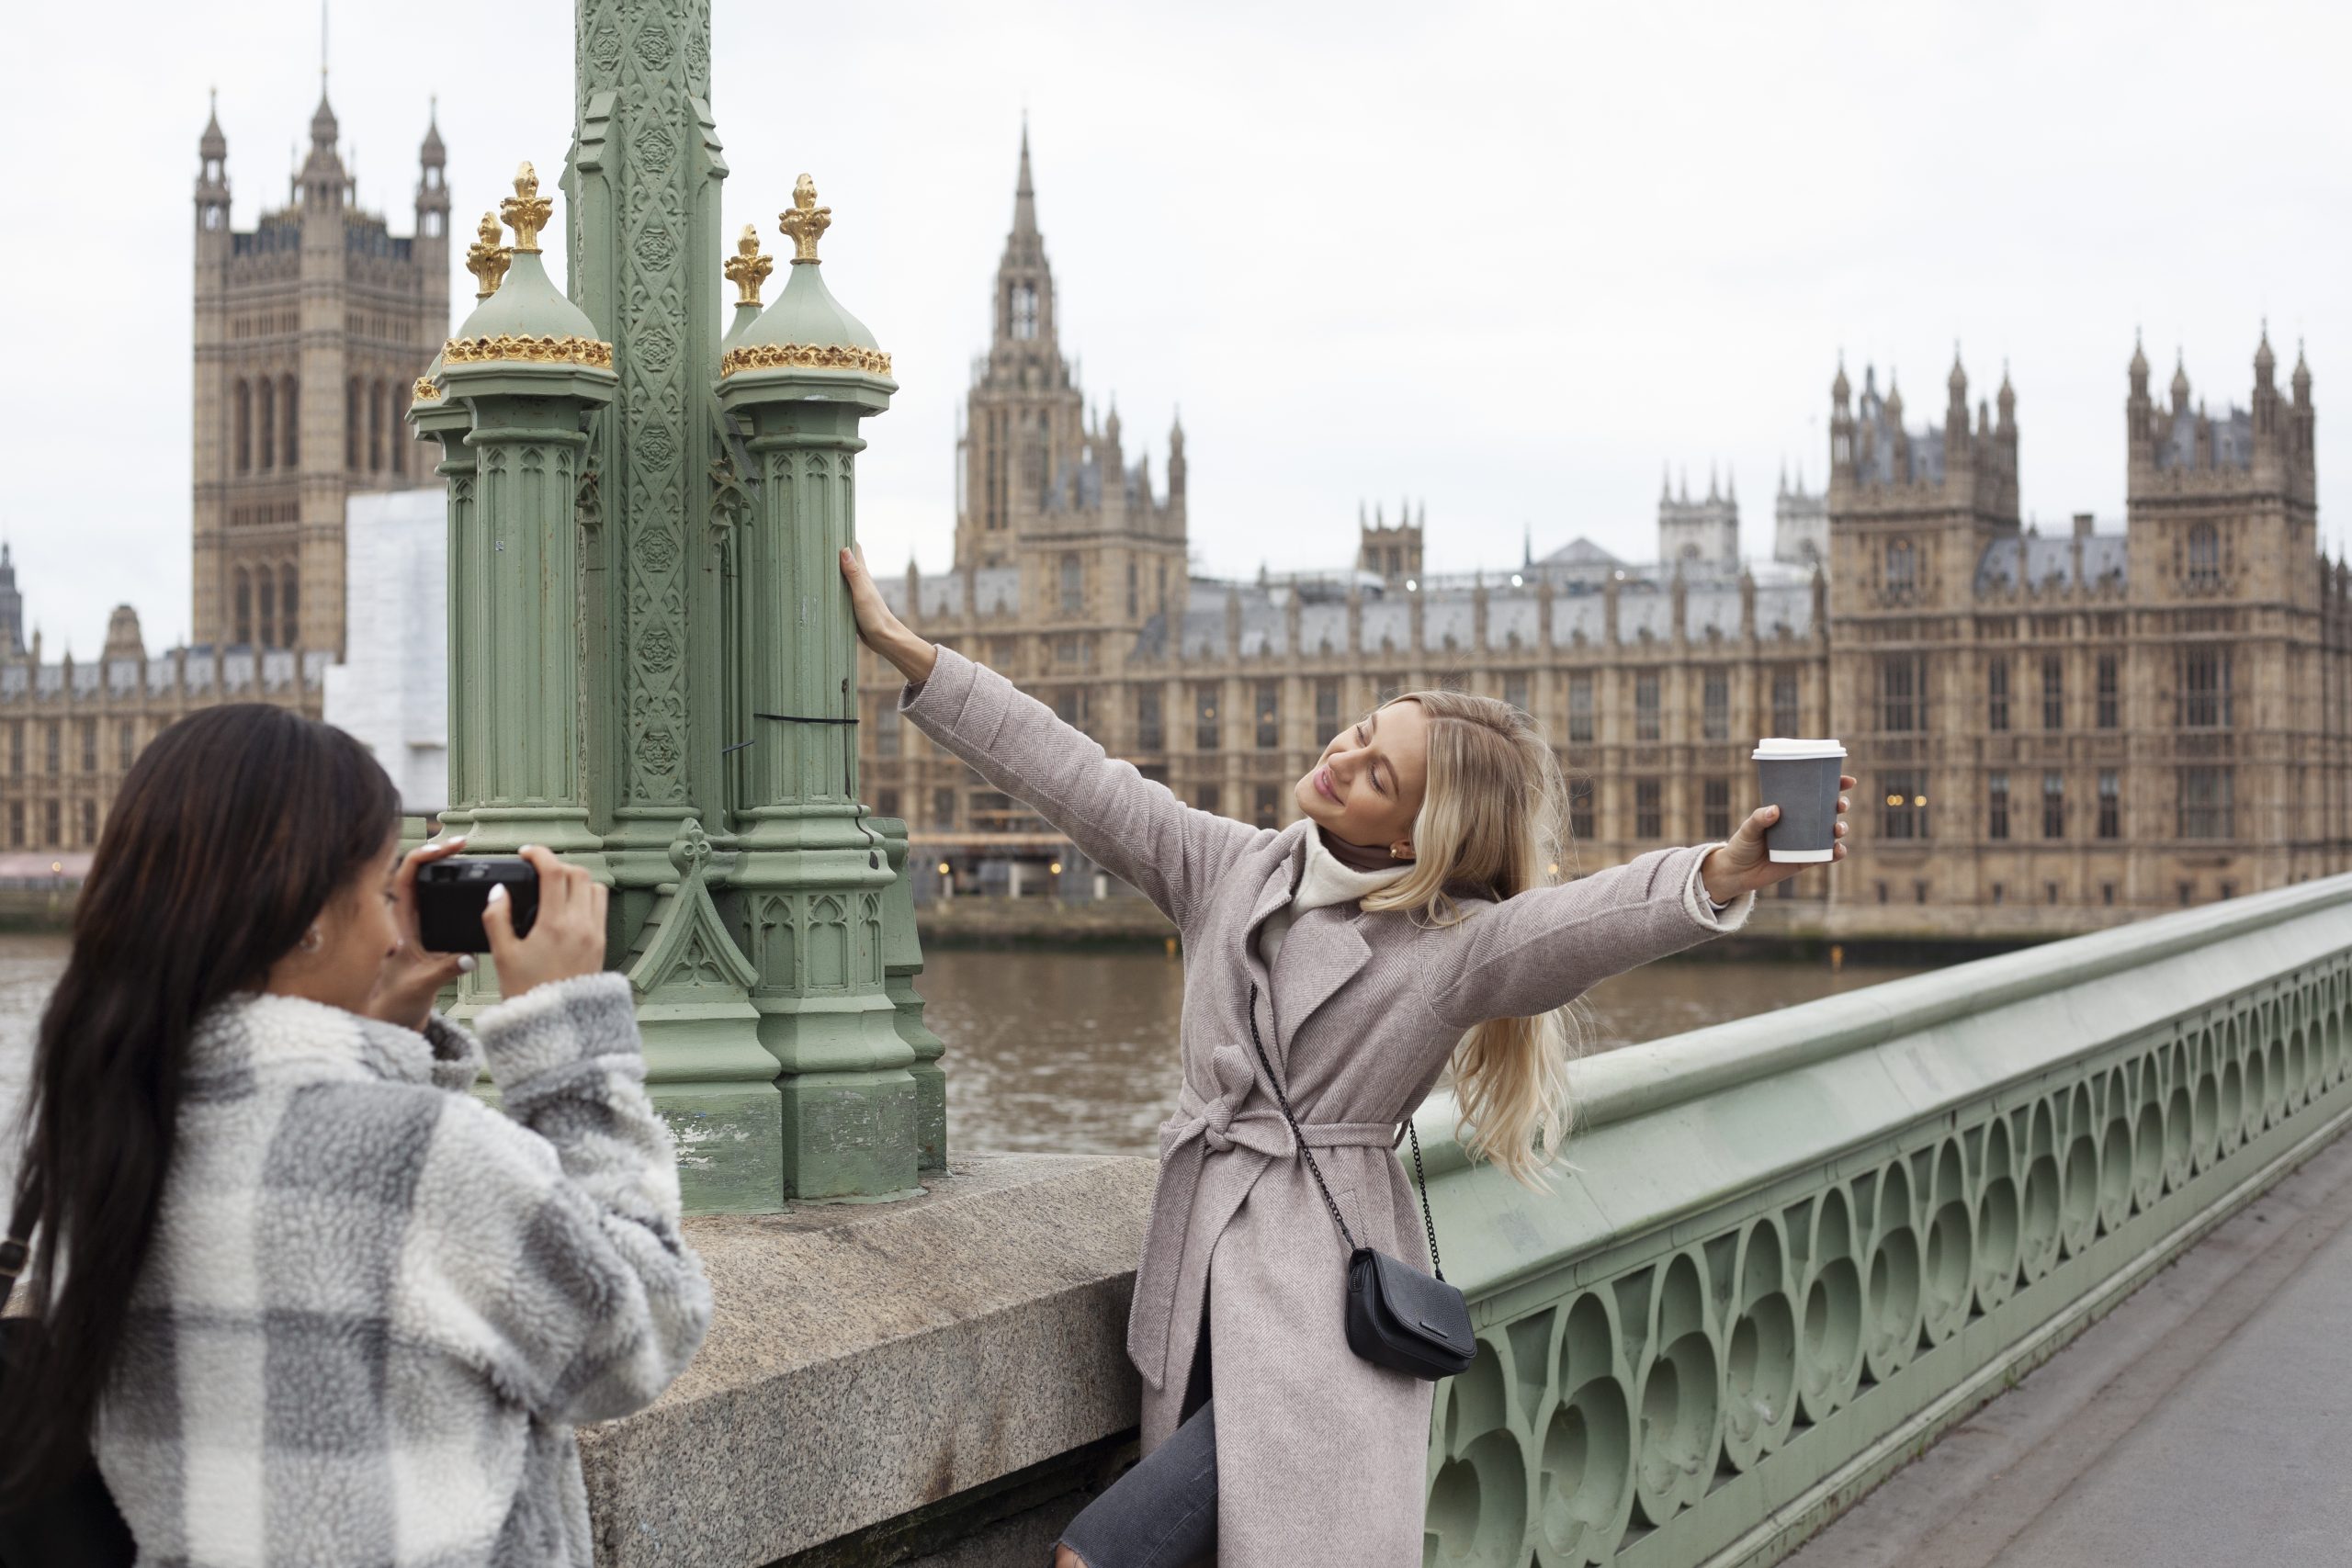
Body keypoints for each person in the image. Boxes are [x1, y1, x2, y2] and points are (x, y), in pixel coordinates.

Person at [840, 546, 1852, 1568]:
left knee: (1095, 1556)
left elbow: (1575, 925)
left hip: (1313, 1316)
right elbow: (1077, 778)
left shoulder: (1452, 947)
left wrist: (1716, 873)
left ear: (1424, 832)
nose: (1343, 760)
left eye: (1380, 776)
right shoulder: (1230, 866)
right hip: (1196, 1271)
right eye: (1360, 736)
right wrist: (914, 655)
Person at [0, 704, 712, 1565]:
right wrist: (569, 1050)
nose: (392, 929)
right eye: (380, 892)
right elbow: (641, 1331)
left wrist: (386, 1032)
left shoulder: (84, 1136)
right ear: (305, 914)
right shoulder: (417, 1157)